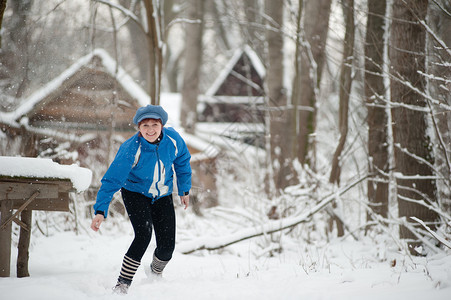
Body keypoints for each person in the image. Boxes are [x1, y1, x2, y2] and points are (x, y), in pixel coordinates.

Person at [90, 105, 191, 294]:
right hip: (135, 193)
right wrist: (100, 210)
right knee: (143, 235)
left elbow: (182, 162)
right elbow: (112, 180)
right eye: (145, 125)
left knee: (167, 247)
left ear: (162, 125)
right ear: (139, 127)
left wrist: (184, 189)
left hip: (162, 194)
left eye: (155, 124)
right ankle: (123, 283)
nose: (150, 129)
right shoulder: (131, 148)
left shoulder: (173, 140)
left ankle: (155, 273)